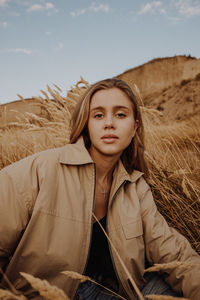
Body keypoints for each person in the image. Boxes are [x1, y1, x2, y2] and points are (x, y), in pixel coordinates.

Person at [0, 78, 199, 300]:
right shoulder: (36, 172)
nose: (109, 123)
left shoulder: (135, 186)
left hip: (117, 290)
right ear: (86, 124)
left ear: (134, 128)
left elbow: (171, 252)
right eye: (98, 115)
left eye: (121, 114)